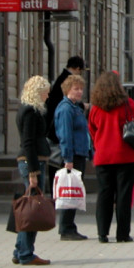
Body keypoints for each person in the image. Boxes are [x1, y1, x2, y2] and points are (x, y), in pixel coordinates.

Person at [88, 71, 134, 243]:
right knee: (123, 195)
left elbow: (92, 129)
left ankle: (102, 233)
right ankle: (122, 234)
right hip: (126, 155)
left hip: (103, 156)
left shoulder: (95, 107)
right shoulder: (128, 103)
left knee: (104, 194)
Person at [13, 75, 51, 265]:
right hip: (32, 162)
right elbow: (28, 142)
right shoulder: (30, 112)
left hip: (32, 161)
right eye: (45, 91)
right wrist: (33, 172)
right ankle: (27, 253)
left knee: (29, 206)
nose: (48, 95)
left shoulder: (29, 109)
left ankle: (20, 250)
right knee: (32, 210)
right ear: (37, 92)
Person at [54, 74, 90, 240]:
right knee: (69, 192)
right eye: (76, 89)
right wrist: (67, 158)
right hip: (72, 155)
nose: (79, 92)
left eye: (81, 89)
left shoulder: (75, 107)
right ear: (67, 89)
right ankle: (66, 228)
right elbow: (65, 135)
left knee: (73, 191)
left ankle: (69, 226)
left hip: (80, 152)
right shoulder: (65, 108)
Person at [45, 56, 85, 141]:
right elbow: (69, 99)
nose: (80, 92)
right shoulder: (68, 79)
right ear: (78, 69)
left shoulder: (62, 77)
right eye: (77, 89)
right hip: (57, 120)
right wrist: (82, 105)